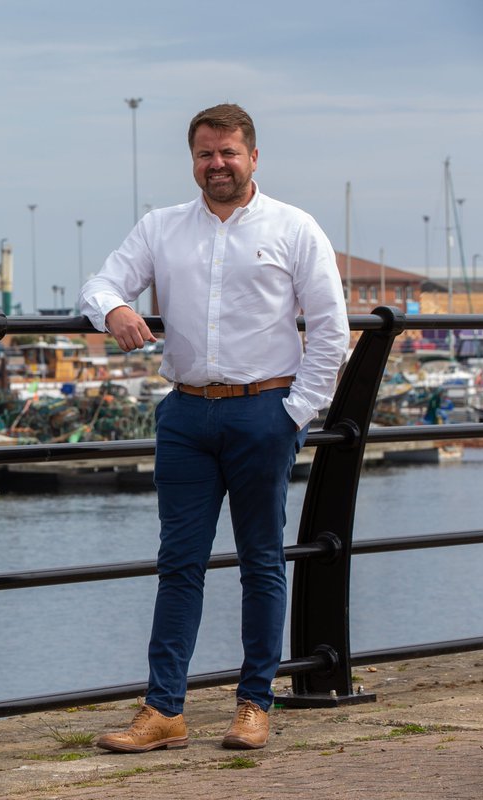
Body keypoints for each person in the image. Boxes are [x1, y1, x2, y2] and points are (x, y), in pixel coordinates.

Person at [79, 103, 349, 752]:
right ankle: (163, 710)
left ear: (253, 157)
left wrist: (293, 414)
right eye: (205, 153)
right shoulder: (162, 227)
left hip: (264, 411)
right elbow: (100, 283)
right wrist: (113, 309)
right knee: (179, 563)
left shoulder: (294, 227)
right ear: (193, 161)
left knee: (261, 562)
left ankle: (254, 705)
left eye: (228, 152)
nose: (217, 164)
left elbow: (331, 331)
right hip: (185, 414)